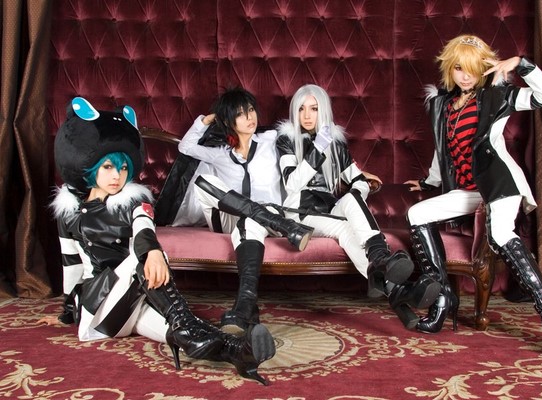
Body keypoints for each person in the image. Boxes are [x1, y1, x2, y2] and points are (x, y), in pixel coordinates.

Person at [42, 97, 276, 385]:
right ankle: (185, 322)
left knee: (183, 330)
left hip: (132, 304)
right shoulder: (68, 213)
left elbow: (144, 228)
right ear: (89, 167)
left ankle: (237, 352)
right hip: (98, 309)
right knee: (144, 262)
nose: (118, 176)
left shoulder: (135, 202)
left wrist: (151, 249)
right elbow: (71, 265)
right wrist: (67, 312)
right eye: (108, 167)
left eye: (123, 168)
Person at [404, 34, 542, 355]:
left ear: (483, 68)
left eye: (472, 68)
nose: (466, 76)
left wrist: (522, 65)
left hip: (500, 183)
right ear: (449, 69)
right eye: (459, 68)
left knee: (499, 234)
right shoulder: (443, 105)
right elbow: (443, 150)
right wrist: (428, 182)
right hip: (470, 189)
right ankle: (443, 299)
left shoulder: (497, 95)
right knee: (417, 214)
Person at [275, 84, 442, 328]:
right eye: (301, 109)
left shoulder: (335, 143)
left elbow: (359, 181)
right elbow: (291, 184)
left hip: (330, 210)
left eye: (314, 108)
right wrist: (318, 149)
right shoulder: (287, 140)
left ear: (324, 111)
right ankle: (397, 289)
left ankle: (380, 260)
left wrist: (356, 192)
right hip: (300, 211)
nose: (307, 115)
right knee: (345, 230)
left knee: (352, 198)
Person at [178, 88, 315, 334]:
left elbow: (307, 139)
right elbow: (185, 147)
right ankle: (287, 227)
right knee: (203, 182)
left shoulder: (271, 141)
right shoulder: (220, 154)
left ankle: (245, 307)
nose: (250, 117)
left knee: (250, 220)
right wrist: (211, 118)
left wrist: (353, 172)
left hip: (263, 220)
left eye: (251, 110)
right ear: (229, 122)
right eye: (240, 114)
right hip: (228, 219)